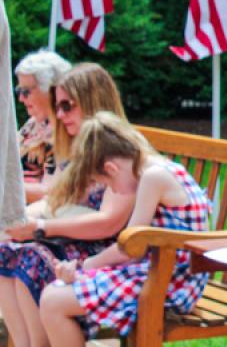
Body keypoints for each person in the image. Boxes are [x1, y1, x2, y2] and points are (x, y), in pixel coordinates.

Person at [38, 111, 211, 344]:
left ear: (111, 168)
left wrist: (83, 267)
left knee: (53, 301)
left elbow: (131, 247)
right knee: (54, 294)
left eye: (108, 184)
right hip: (163, 271)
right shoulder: (158, 167)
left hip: (170, 283)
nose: (115, 191)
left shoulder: (152, 177)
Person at [0, 63, 136, 347]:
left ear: (92, 101)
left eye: (66, 106)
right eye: (57, 106)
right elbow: (57, 197)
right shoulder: (74, 142)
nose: (58, 114)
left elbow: (109, 222)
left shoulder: (119, 148)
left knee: (31, 258)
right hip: (73, 239)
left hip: (110, 252)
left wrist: (39, 229)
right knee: (5, 250)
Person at [14, 51, 71, 203]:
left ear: (50, 90)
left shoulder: (66, 129)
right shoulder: (33, 122)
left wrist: (5, 187)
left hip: (31, 212)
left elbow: (49, 191)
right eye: (19, 91)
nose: (20, 98)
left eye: (26, 92)